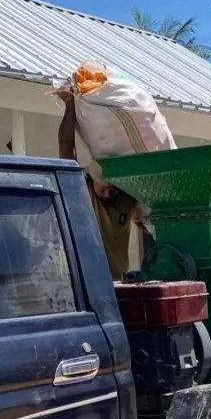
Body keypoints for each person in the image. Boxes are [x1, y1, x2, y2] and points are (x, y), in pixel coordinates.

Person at [56, 92, 150, 281]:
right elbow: (66, 147)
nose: (109, 192)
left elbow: (148, 223)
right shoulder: (81, 191)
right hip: (84, 283)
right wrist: (70, 106)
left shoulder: (127, 198)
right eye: (104, 187)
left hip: (117, 286)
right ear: (91, 179)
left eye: (113, 188)